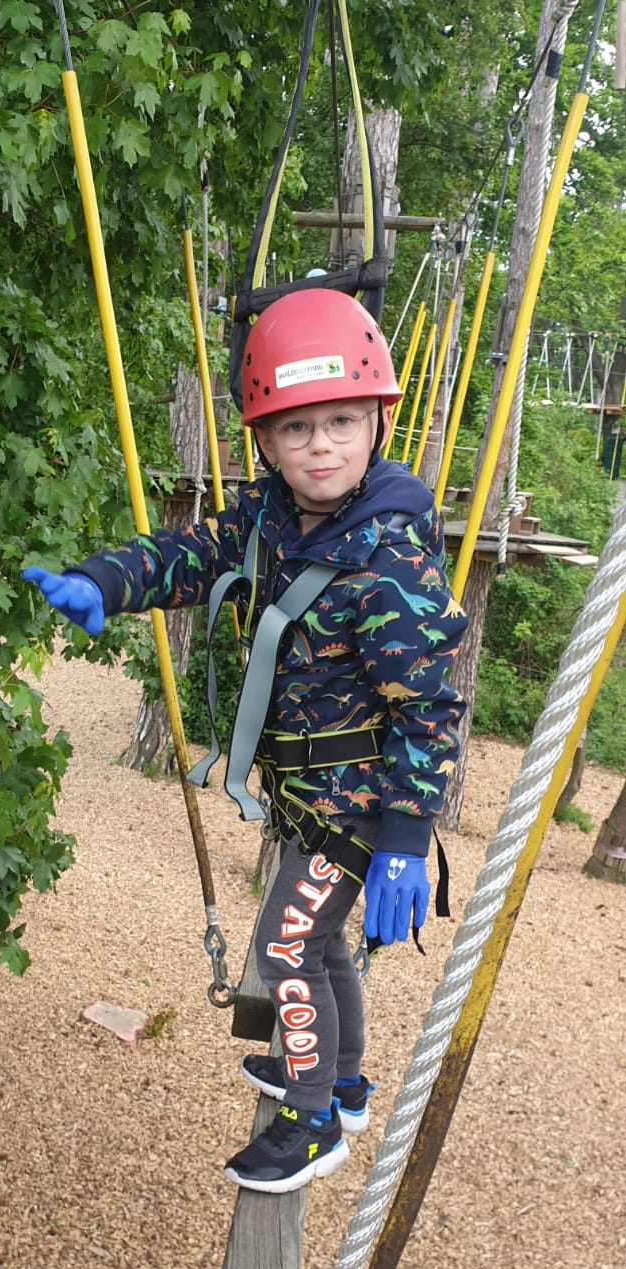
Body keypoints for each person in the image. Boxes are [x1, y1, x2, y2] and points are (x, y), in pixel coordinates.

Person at [23, 288, 467, 1195]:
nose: (321, 446)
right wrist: (106, 582)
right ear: (264, 441)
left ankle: (310, 1123)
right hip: (310, 796)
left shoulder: (386, 562)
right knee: (322, 943)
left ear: (376, 422)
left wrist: (401, 843)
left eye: (342, 422)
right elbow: (190, 554)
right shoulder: (270, 519)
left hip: (358, 806)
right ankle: (337, 1081)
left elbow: (427, 712)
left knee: (287, 946)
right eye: (296, 428)